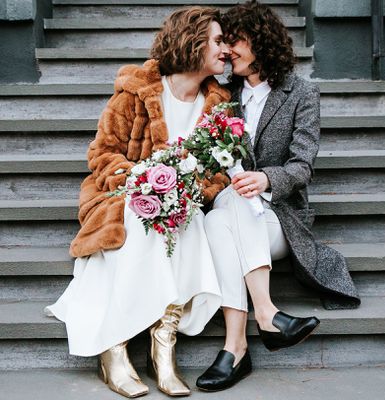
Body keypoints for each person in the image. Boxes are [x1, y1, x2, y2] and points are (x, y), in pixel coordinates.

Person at [44, 6, 231, 398]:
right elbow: (103, 151)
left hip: (180, 203)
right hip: (120, 196)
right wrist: (141, 182)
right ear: (193, 42)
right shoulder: (138, 89)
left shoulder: (219, 105)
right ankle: (115, 349)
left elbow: (218, 171)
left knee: (186, 216)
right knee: (143, 214)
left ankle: (163, 350)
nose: (226, 49)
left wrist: (186, 191)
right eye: (218, 40)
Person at [196, 0, 361, 392]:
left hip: (278, 218)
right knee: (223, 213)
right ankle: (262, 320)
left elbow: (302, 165)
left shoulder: (301, 92)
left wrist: (266, 180)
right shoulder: (221, 94)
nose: (227, 50)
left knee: (223, 219)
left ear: (260, 42)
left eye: (235, 41)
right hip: (231, 204)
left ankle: (236, 348)